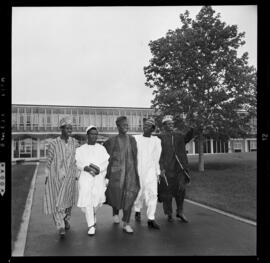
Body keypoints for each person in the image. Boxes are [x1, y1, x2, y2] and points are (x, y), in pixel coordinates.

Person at [103, 116, 140, 234]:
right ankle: (115, 213)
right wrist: (107, 174)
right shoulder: (111, 140)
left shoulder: (132, 140)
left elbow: (135, 157)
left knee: (129, 196)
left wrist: (136, 172)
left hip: (130, 174)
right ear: (118, 126)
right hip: (116, 174)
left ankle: (126, 223)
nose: (126, 127)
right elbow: (105, 157)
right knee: (116, 195)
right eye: (124, 125)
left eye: (127, 125)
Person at [43, 116, 79, 238]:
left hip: (70, 177)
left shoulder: (75, 143)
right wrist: (47, 175)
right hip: (56, 178)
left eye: (71, 128)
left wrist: (78, 174)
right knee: (57, 201)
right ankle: (60, 226)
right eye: (67, 128)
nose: (70, 130)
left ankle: (66, 219)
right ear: (61, 129)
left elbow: (78, 159)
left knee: (69, 201)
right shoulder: (54, 143)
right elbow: (49, 160)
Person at [158, 115, 194, 223]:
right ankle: (169, 213)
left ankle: (180, 212)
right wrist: (161, 167)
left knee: (181, 190)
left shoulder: (178, 135)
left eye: (172, 124)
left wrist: (191, 129)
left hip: (179, 168)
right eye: (168, 124)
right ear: (164, 125)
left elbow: (187, 138)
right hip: (167, 169)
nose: (171, 125)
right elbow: (157, 154)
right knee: (167, 193)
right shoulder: (160, 137)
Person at [75, 125, 109, 236]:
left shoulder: (101, 148)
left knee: (97, 200)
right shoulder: (80, 149)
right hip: (85, 178)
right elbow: (78, 163)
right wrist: (85, 167)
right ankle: (91, 225)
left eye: (96, 134)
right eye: (92, 134)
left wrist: (99, 169)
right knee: (87, 200)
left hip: (98, 178)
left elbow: (106, 163)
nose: (94, 136)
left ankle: (93, 214)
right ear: (87, 135)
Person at [133, 118, 162, 230]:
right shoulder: (136, 138)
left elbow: (156, 158)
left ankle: (151, 218)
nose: (145, 126)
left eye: (149, 125)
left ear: (153, 128)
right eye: (144, 125)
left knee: (153, 194)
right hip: (138, 170)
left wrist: (157, 172)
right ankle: (137, 210)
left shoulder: (156, 141)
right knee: (139, 193)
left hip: (151, 171)